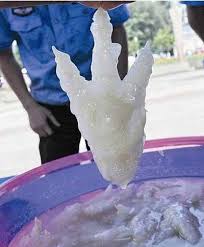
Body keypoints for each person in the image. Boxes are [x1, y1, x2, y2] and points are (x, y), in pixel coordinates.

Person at [0, 3, 129, 163]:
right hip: (52, 109)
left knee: (117, 169)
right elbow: (3, 54)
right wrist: (30, 107)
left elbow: (116, 28)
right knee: (58, 180)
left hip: (100, 97)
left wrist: (118, 91)